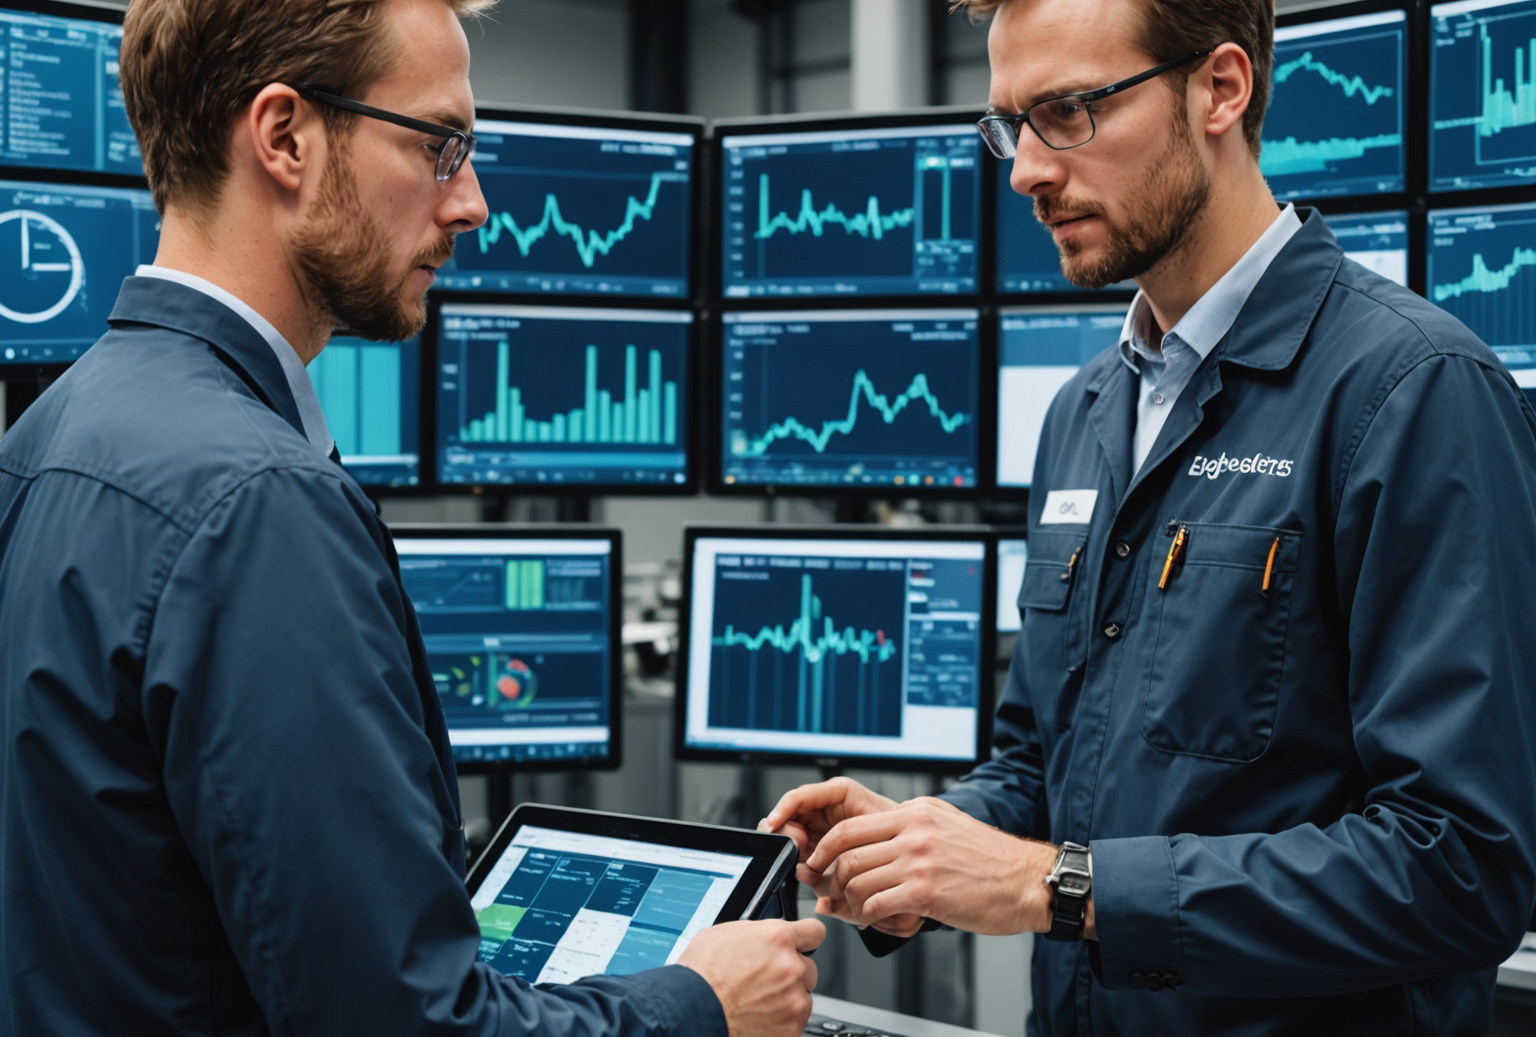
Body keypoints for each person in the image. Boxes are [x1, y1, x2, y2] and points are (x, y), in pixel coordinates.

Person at [0, 1, 823, 1035]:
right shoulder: (258, 503)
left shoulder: (49, 436)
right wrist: (700, 1001)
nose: (472, 202)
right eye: (441, 146)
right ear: (285, 136)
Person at [762, 0, 1536, 1033]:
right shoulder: (1086, 410)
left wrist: (1058, 886)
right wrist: (931, 837)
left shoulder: (1410, 393)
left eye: (1070, 112)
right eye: (1010, 126)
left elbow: (1462, 866)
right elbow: (1044, 761)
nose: (1028, 171)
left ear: (1220, 88)